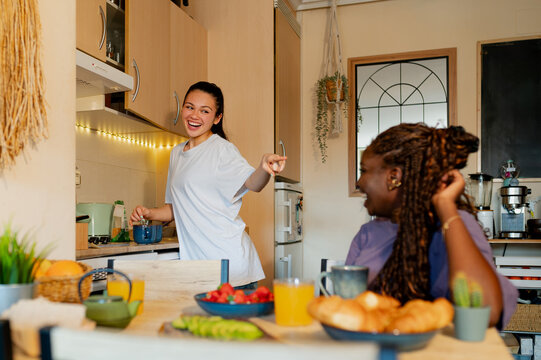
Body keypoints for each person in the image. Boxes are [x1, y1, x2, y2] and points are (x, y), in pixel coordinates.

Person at [345, 123, 517, 329]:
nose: (358, 182)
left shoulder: (453, 224)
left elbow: (484, 311)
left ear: (394, 177)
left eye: (363, 170)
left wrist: (445, 206)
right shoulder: (368, 234)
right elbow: (347, 307)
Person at [130, 81, 286, 287]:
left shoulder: (222, 150)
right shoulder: (176, 153)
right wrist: (149, 213)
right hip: (200, 270)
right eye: (189, 107)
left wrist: (264, 168)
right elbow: (175, 209)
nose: (194, 116)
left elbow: (252, 183)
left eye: (205, 111)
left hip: (230, 268)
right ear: (182, 108)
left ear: (217, 118)